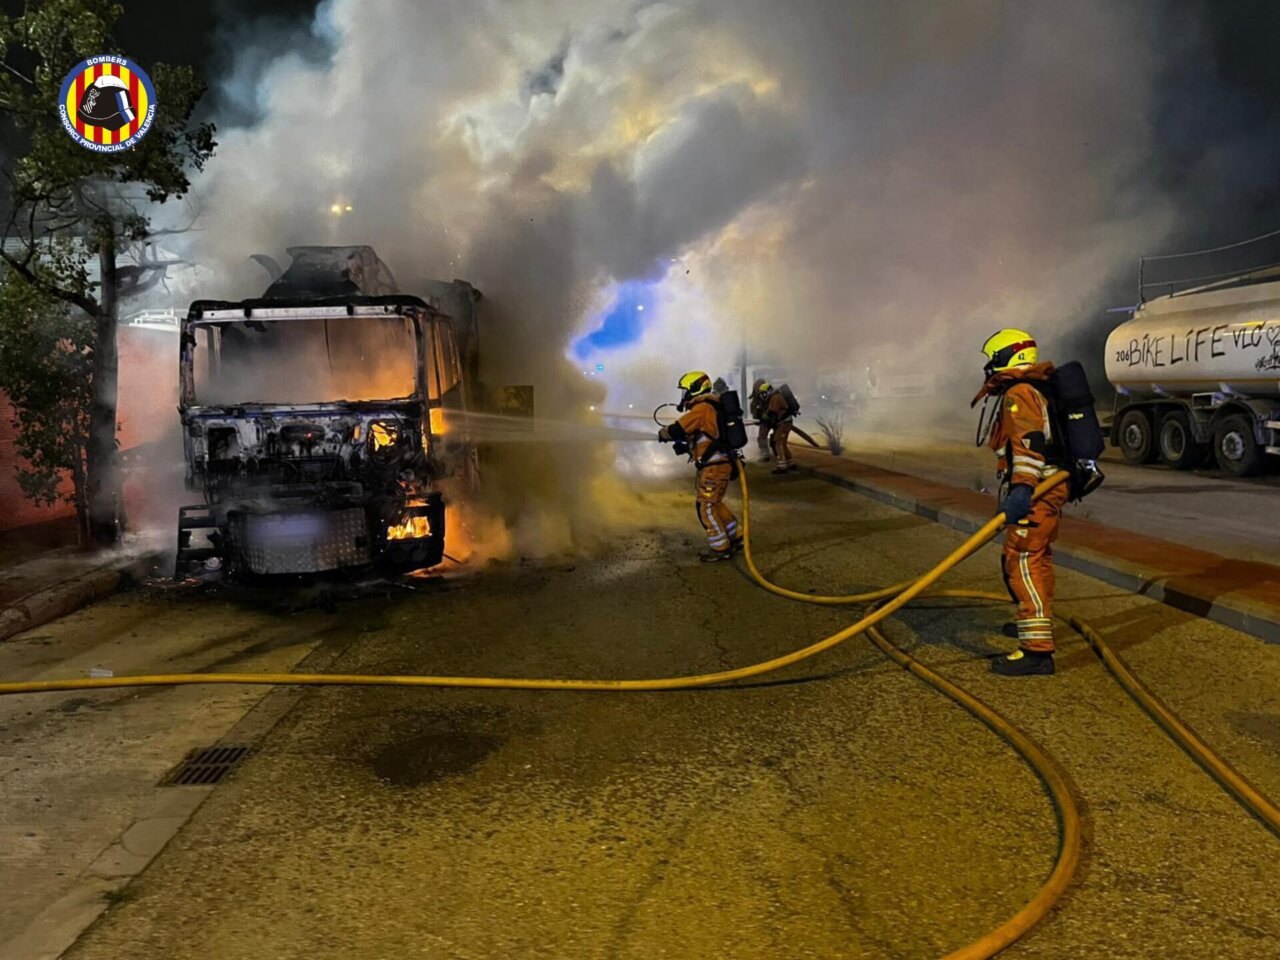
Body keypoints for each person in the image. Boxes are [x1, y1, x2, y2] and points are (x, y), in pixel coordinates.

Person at [973, 328, 1069, 676]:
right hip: (1046, 486)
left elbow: (1029, 445)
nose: (987, 367)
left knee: (1023, 561)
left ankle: (1037, 652)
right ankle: (1034, 623)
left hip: (1038, 489)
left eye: (990, 359)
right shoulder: (1034, 388)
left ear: (1005, 357)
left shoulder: (1020, 393)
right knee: (1036, 558)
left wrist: (1023, 490)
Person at [658, 371, 741, 562]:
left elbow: (678, 428)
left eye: (685, 391)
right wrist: (687, 446)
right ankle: (735, 535)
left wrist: (664, 433)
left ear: (695, 388)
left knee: (705, 506)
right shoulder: (711, 407)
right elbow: (706, 435)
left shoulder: (702, 408)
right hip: (719, 464)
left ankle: (720, 548)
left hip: (714, 466)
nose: (683, 396)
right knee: (714, 503)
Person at [761, 382, 797, 474]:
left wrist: (765, 418)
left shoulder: (775, 397)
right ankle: (790, 463)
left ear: (768, 391)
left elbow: (772, 412)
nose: (763, 396)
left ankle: (782, 466)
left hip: (783, 423)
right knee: (782, 443)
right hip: (784, 422)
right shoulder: (775, 396)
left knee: (778, 443)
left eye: (763, 393)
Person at [749, 379, 772, 461]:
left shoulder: (769, 396)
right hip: (765, 421)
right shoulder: (755, 401)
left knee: (776, 439)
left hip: (772, 419)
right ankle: (765, 453)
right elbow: (754, 412)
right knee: (762, 437)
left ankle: (768, 453)